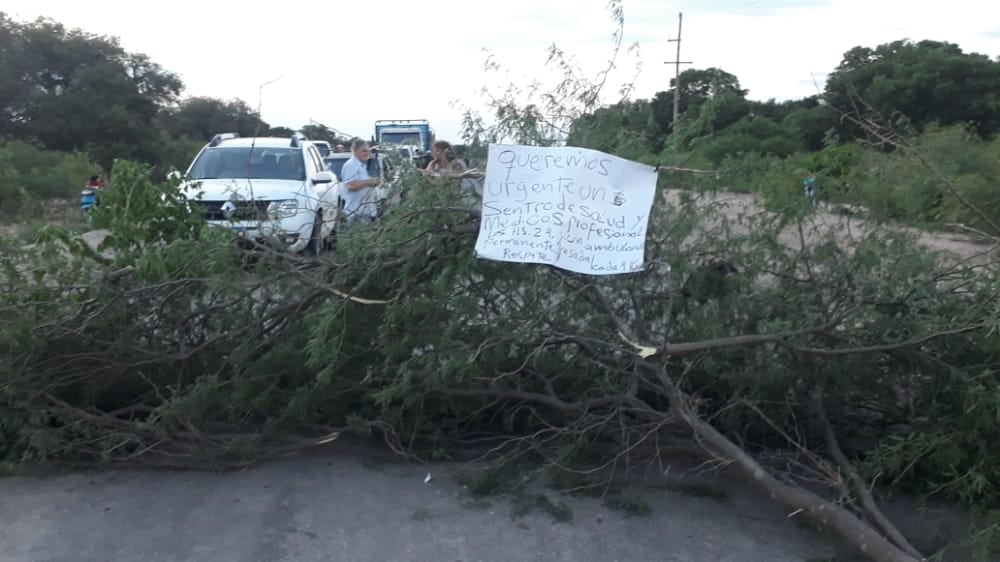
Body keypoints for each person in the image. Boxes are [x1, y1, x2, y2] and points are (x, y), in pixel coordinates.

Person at [339, 138, 382, 223]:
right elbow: (351, 186)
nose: (367, 153)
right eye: (364, 151)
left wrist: (374, 183)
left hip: (367, 212)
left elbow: (363, 184)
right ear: (355, 151)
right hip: (356, 213)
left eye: (368, 151)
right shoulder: (351, 165)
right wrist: (369, 182)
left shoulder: (362, 166)